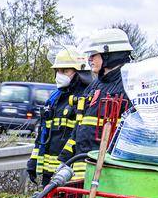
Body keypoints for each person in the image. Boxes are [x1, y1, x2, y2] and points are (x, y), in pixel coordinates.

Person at [57, 28, 133, 176]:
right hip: (82, 168)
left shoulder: (129, 86)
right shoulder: (94, 85)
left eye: (94, 55)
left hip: (108, 172)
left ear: (110, 54)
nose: (90, 59)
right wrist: (64, 159)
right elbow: (79, 128)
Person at [26, 47, 92, 186]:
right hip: (49, 173)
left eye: (65, 71)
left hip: (70, 173)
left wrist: (65, 160)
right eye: (58, 71)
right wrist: (34, 160)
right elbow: (43, 133)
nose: (60, 75)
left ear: (79, 72)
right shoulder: (55, 97)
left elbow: (81, 135)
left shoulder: (85, 98)